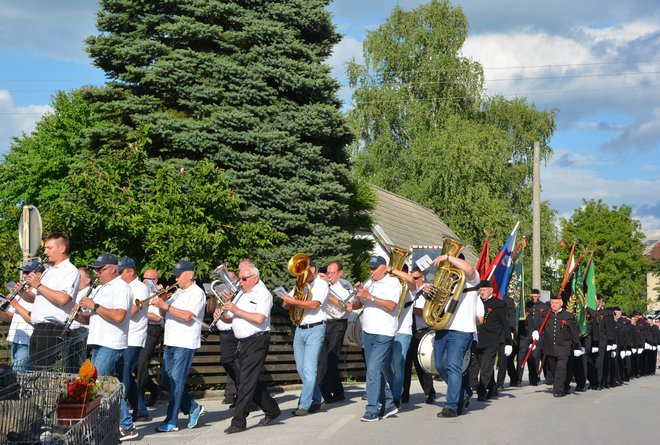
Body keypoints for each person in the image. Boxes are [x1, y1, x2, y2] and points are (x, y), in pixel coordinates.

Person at [77, 253, 136, 441]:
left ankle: (119, 425)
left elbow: (119, 316)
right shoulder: (102, 288)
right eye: (95, 270)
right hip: (98, 342)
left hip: (111, 343)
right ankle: (124, 424)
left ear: (112, 268)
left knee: (93, 385)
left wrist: (94, 306)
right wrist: (78, 315)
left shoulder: (120, 287)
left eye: (100, 270)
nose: (97, 274)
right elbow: (94, 317)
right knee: (104, 385)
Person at [221, 264, 281, 434]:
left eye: (244, 279)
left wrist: (236, 309)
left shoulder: (263, 294)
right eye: (240, 278)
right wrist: (224, 311)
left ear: (255, 278)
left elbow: (260, 318)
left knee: (246, 381)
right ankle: (272, 410)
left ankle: (238, 421)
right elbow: (230, 319)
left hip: (257, 341)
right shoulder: (240, 294)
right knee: (248, 378)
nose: (241, 282)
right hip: (243, 342)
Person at [150, 261, 205, 433]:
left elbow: (188, 316)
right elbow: (163, 313)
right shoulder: (178, 292)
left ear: (189, 274)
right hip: (171, 340)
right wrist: (162, 301)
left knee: (177, 382)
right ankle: (193, 407)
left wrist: (166, 305)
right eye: (175, 275)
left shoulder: (197, 293)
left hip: (185, 342)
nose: (176, 278)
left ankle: (171, 421)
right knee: (167, 380)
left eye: (179, 275)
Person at [431, 252, 483, 418]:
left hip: (461, 329)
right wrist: (428, 292)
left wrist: (447, 257)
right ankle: (463, 392)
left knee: (453, 365)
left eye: (453, 262)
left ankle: (451, 405)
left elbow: (468, 268)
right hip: (443, 327)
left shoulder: (471, 278)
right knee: (440, 365)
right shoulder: (446, 282)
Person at [350, 255, 401, 422]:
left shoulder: (394, 283)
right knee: (375, 370)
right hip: (368, 331)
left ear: (384, 268)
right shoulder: (369, 283)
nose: (371, 271)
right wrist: (358, 295)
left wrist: (370, 296)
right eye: (370, 268)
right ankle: (389, 403)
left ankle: (372, 409)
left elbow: (391, 306)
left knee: (372, 369)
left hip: (384, 332)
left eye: (374, 268)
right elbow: (357, 306)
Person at [22, 232, 81, 367]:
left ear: (62, 249)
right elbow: (37, 298)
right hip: (39, 327)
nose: (45, 251)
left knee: (44, 372)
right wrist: (22, 293)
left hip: (52, 328)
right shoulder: (48, 271)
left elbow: (63, 298)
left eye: (49, 248)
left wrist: (39, 285)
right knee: (35, 370)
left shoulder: (70, 270)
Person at [279, 261, 328, 416]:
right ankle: (319, 399)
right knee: (301, 369)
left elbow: (314, 305)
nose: (301, 275)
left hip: (315, 328)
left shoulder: (321, 284)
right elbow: (286, 306)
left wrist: (294, 301)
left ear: (312, 269)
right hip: (300, 329)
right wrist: (287, 301)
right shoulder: (300, 284)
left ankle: (304, 405)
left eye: (304, 271)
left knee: (309, 369)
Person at [117, 257, 150, 422]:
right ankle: (141, 410)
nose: (118, 275)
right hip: (122, 336)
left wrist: (113, 314)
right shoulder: (122, 287)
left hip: (134, 336)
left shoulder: (141, 288)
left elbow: (134, 311)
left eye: (120, 272)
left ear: (130, 271)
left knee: (125, 374)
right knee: (125, 375)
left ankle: (122, 414)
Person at [469, 280, 510, 402]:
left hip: (492, 340)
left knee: (486, 366)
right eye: (480, 290)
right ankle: (492, 388)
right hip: (478, 339)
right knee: (482, 366)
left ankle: (481, 391)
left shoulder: (498, 304)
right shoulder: (475, 302)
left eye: (484, 290)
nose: (482, 293)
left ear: (491, 290)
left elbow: (505, 324)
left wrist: (509, 342)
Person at [318, 260, 352, 403]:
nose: (329, 275)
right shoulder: (322, 285)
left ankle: (324, 393)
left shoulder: (344, 289)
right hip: (324, 323)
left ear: (340, 273)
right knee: (323, 360)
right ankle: (338, 391)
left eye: (332, 273)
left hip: (338, 324)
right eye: (328, 272)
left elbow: (348, 307)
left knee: (331, 359)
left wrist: (328, 294)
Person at [2, 259, 44, 373]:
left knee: (20, 376)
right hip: (16, 339)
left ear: (38, 274)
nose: (24, 275)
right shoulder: (22, 291)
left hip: (28, 341)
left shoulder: (39, 294)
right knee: (16, 374)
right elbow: (9, 317)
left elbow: (33, 319)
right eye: (24, 272)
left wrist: (15, 304)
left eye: (28, 273)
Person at [402, 267, 436, 404]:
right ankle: (404, 394)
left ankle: (429, 392)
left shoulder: (427, 292)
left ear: (422, 278)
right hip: (407, 331)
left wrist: (413, 310)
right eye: (411, 278)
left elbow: (431, 313)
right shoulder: (406, 292)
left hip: (421, 332)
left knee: (422, 365)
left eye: (415, 278)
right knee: (404, 365)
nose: (412, 280)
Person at [386, 264, 417, 408]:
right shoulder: (389, 287)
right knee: (384, 365)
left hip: (403, 331)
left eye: (400, 273)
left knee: (398, 365)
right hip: (386, 330)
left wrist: (392, 270)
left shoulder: (409, 289)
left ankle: (396, 396)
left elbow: (411, 280)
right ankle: (391, 391)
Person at [539, 294, 582, 397]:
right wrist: (536, 332)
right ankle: (564, 385)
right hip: (550, 347)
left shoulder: (568, 316)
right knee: (554, 369)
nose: (554, 305)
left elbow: (574, 332)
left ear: (561, 303)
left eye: (556, 303)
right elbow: (541, 327)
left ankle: (558, 390)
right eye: (552, 303)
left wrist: (578, 346)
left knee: (561, 368)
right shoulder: (546, 314)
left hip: (564, 347)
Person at [135, 268, 164, 407]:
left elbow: (158, 317)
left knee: (141, 363)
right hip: (139, 328)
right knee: (134, 365)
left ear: (156, 280)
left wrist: (139, 313)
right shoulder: (141, 291)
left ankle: (139, 401)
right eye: (144, 278)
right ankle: (153, 389)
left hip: (152, 328)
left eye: (149, 279)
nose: (145, 281)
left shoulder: (160, 294)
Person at [63, 267, 94, 372]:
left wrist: (79, 313)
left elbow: (91, 313)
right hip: (70, 331)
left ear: (87, 280)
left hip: (81, 331)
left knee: (77, 366)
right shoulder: (74, 292)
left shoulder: (91, 293)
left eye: (79, 277)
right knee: (68, 365)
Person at [523, 289, 548, 386]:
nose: (534, 298)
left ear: (539, 296)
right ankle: (532, 377)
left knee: (539, 356)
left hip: (540, 335)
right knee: (531, 357)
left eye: (536, 296)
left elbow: (545, 320)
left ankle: (540, 378)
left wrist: (539, 331)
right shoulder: (526, 305)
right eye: (532, 296)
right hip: (528, 334)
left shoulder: (544, 306)